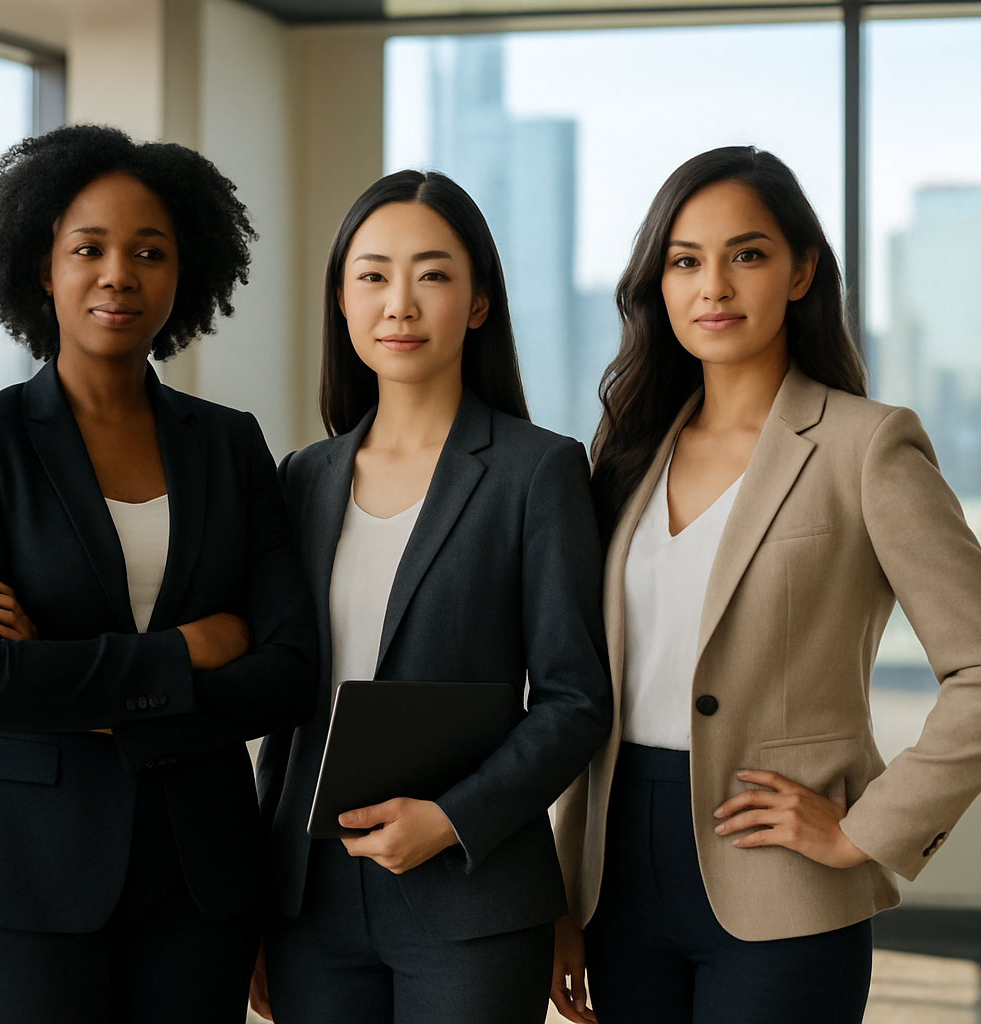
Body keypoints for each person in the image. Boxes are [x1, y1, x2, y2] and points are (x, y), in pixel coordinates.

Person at [549, 146, 981, 1024]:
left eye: (749, 254)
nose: (714, 287)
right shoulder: (620, 457)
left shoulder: (866, 446)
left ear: (802, 270)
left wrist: (865, 828)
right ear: (658, 283)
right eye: (685, 261)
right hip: (616, 879)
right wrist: (560, 892)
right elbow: (585, 688)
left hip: (780, 886)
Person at [0, 123, 317, 1024]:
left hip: (200, 874)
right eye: (87, 248)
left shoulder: (229, 442)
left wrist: (73, 683)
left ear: (187, 273)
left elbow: (289, 673)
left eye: (149, 252)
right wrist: (191, 648)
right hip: (22, 875)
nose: (118, 275)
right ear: (40, 266)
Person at [251, 169, 611, 1024]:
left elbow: (574, 699)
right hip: (312, 900)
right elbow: (288, 708)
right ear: (341, 300)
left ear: (479, 302)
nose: (399, 303)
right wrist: (258, 901)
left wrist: (451, 819)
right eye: (372, 275)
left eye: (433, 274)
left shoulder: (537, 470)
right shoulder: (303, 478)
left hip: (470, 894)